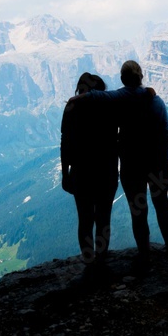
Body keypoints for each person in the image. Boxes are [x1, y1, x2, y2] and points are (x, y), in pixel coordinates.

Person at [72, 60, 168, 266]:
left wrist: (74, 99)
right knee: (161, 203)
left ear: (122, 79)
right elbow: (167, 134)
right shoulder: (156, 101)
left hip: (132, 165)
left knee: (138, 210)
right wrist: (158, 154)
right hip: (157, 162)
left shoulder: (118, 98)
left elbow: (95, 96)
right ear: (141, 76)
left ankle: (144, 252)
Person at [60, 72, 118, 271]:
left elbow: (65, 142)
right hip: (107, 171)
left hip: (81, 172)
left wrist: (64, 173)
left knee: (85, 220)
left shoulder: (72, 106)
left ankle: (88, 262)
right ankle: (101, 261)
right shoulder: (110, 105)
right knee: (103, 218)